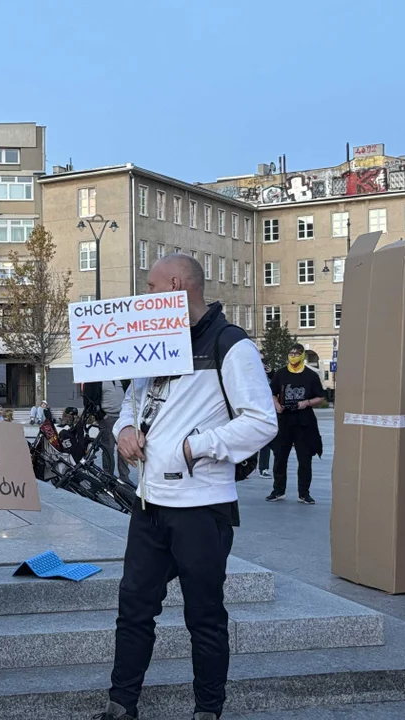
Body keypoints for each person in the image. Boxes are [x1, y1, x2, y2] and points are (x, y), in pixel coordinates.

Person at [104, 255, 276, 720]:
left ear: (176, 285)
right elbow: (133, 402)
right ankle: (122, 706)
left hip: (201, 508)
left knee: (204, 615)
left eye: (150, 286)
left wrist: (195, 447)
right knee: (134, 608)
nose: (142, 296)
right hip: (149, 504)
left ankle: (207, 710)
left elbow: (262, 422)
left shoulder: (230, 344)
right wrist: (123, 430)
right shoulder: (154, 341)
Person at [266, 344, 324, 505]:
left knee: (304, 460)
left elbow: (321, 397)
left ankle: (304, 493)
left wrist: (307, 402)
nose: (293, 356)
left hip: (304, 422)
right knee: (279, 457)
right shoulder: (281, 374)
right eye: (291, 353)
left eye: (297, 353)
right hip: (284, 421)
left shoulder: (310, 376)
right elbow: (271, 392)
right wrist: (276, 404)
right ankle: (278, 491)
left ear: (302, 355)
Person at [258, 354, 275, 478]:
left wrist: (271, 373)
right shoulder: (250, 372)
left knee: (266, 441)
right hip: (253, 409)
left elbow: (277, 385)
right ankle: (245, 466)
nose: (263, 363)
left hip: (268, 410)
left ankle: (264, 468)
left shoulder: (269, 374)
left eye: (264, 360)